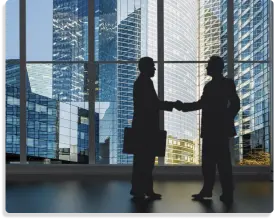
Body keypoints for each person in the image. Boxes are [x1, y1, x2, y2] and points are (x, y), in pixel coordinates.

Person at [175, 56, 240, 203]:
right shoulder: (211, 86)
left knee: (217, 163)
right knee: (212, 163)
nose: (206, 68)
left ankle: (217, 191)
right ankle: (218, 191)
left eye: (209, 66)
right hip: (215, 130)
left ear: (216, 67)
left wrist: (225, 118)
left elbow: (235, 104)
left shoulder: (221, 85)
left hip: (216, 129)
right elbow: (233, 104)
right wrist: (183, 107)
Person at [130, 57, 175, 200]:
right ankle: (141, 190)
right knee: (146, 161)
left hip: (142, 128)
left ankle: (142, 189)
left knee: (144, 161)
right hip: (145, 129)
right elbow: (153, 104)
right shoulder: (144, 82)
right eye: (153, 66)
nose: (155, 69)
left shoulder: (142, 82)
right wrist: (172, 105)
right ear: (146, 67)